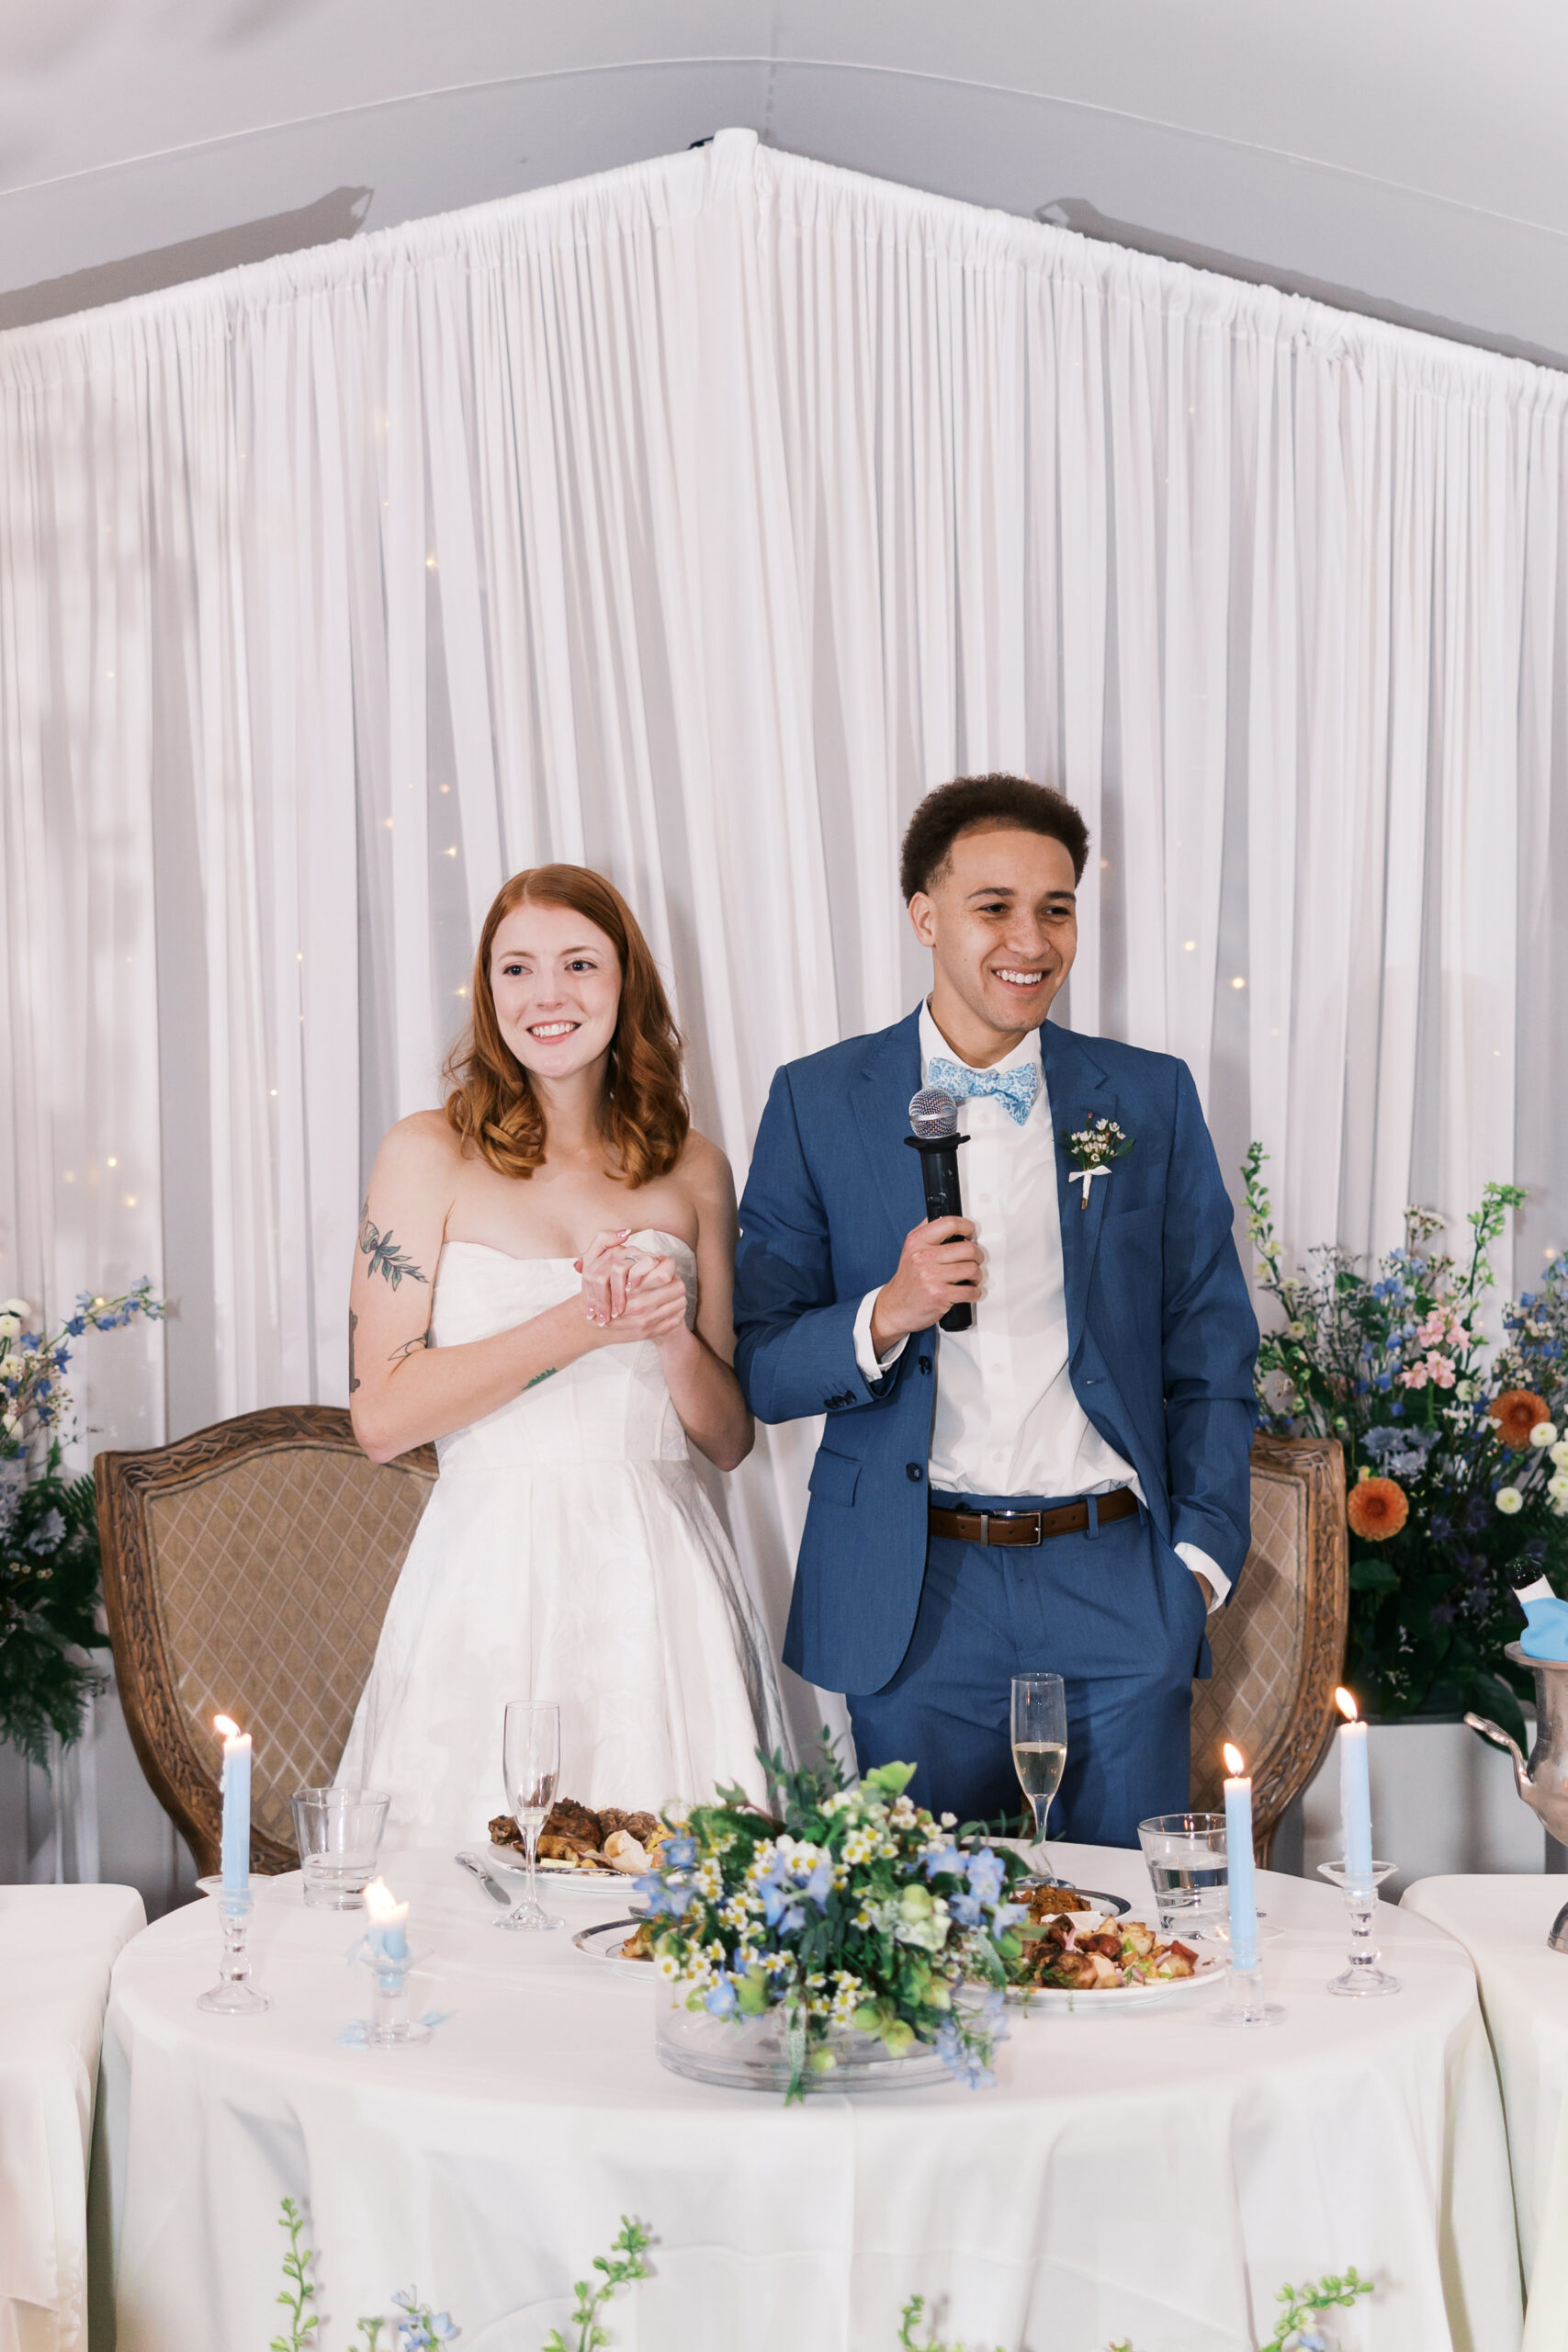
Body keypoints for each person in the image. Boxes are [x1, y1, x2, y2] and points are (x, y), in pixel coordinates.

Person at [733, 775, 1258, 1846]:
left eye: (1056, 907)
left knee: (1129, 1945)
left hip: (1119, 1579)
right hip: (915, 1589)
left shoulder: (1148, 1095)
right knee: (931, 1956)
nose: (1032, 939)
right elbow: (764, 1365)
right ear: (925, 915)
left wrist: (1196, 1561)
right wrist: (887, 1310)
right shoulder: (816, 1098)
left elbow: (1212, 1342)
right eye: (994, 906)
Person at [338, 864, 786, 1844]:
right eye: (517, 969)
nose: (548, 995)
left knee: (672, 1892)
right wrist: (581, 1321)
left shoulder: (695, 1165)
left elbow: (726, 1440)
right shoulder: (426, 1152)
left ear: (625, 981)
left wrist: (668, 1332)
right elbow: (380, 1418)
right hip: (487, 1573)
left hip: (661, 1581)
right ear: (486, 993)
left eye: (579, 963)